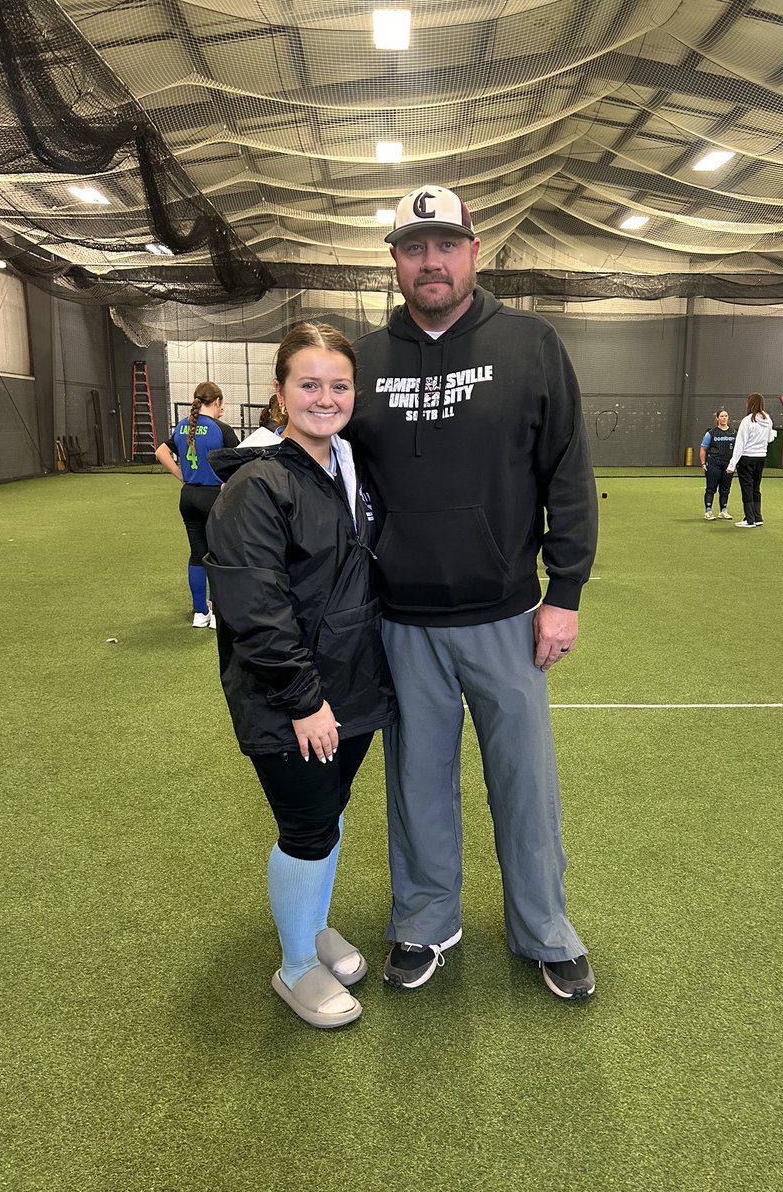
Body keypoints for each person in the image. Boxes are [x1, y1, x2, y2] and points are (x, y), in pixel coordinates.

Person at [345, 184, 599, 1001]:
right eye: (415, 248)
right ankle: (424, 921)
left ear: (474, 251)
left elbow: (568, 471)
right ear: (394, 259)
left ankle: (543, 927)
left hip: (507, 615)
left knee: (525, 783)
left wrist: (565, 590)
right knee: (417, 784)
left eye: (445, 245)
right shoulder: (364, 360)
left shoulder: (530, 343)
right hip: (401, 620)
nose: (431, 261)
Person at [204, 323, 396, 1030]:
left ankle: (310, 929)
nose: (325, 397)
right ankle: (293, 967)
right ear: (279, 394)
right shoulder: (256, 484)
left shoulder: (348, 465)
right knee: (306, 830)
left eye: (338, 385)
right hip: (294, 702)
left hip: (352, 690)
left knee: (330, 815)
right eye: (308, 384)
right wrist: (303, 699)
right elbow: (256, 610)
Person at [154, 382, 239, 628]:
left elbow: (161, 452)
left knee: (197, 554)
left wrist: (182, 476)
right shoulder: (221, 429)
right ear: (218, 402)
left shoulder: (182, 426)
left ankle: (200, 613)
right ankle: (216, 615)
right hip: (214, 498)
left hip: (189, 497)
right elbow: (240, 463)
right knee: (218, 554)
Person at [727, 392, 775, 527]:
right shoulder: (768, 420)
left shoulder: (747, 421)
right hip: (761, 458)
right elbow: (770, 438)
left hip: (747, 458)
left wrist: (732, 465)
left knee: (747, 488)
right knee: (755, 487)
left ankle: (749, 519)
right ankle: (757, 517)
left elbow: (740, 444)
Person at [699, 408, 736, 520]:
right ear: (717, 418)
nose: (724, 418)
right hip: (714, 463)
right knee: (711, 488)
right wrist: (703, 463)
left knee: (725, 489)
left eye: (726, 416)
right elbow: (703, 449)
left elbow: (737, 449)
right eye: (722, 416)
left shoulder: (734, 433)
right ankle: (708, 511)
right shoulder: (711, 433)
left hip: (728, 464)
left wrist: (735, 464)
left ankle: (723, 511)